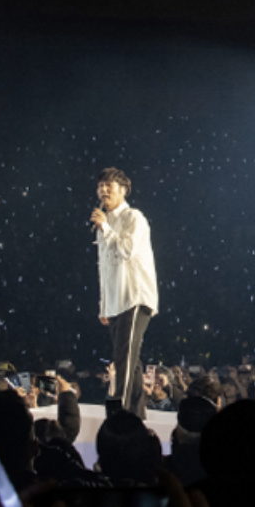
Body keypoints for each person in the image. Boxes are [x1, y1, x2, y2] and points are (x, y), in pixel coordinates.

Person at [91, 167, 158, 419]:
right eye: (100, 187)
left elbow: (127, 250)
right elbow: (104, 269)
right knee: (131, 359)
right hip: (115, 301)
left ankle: (119, 412)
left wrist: (105, 228)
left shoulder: (134, 217)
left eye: (109, 186)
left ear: (123, 190)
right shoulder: (104, 223)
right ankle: (136, 415)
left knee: (123, 357)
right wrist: (104, 305)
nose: (103, 191)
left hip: (134, 296)